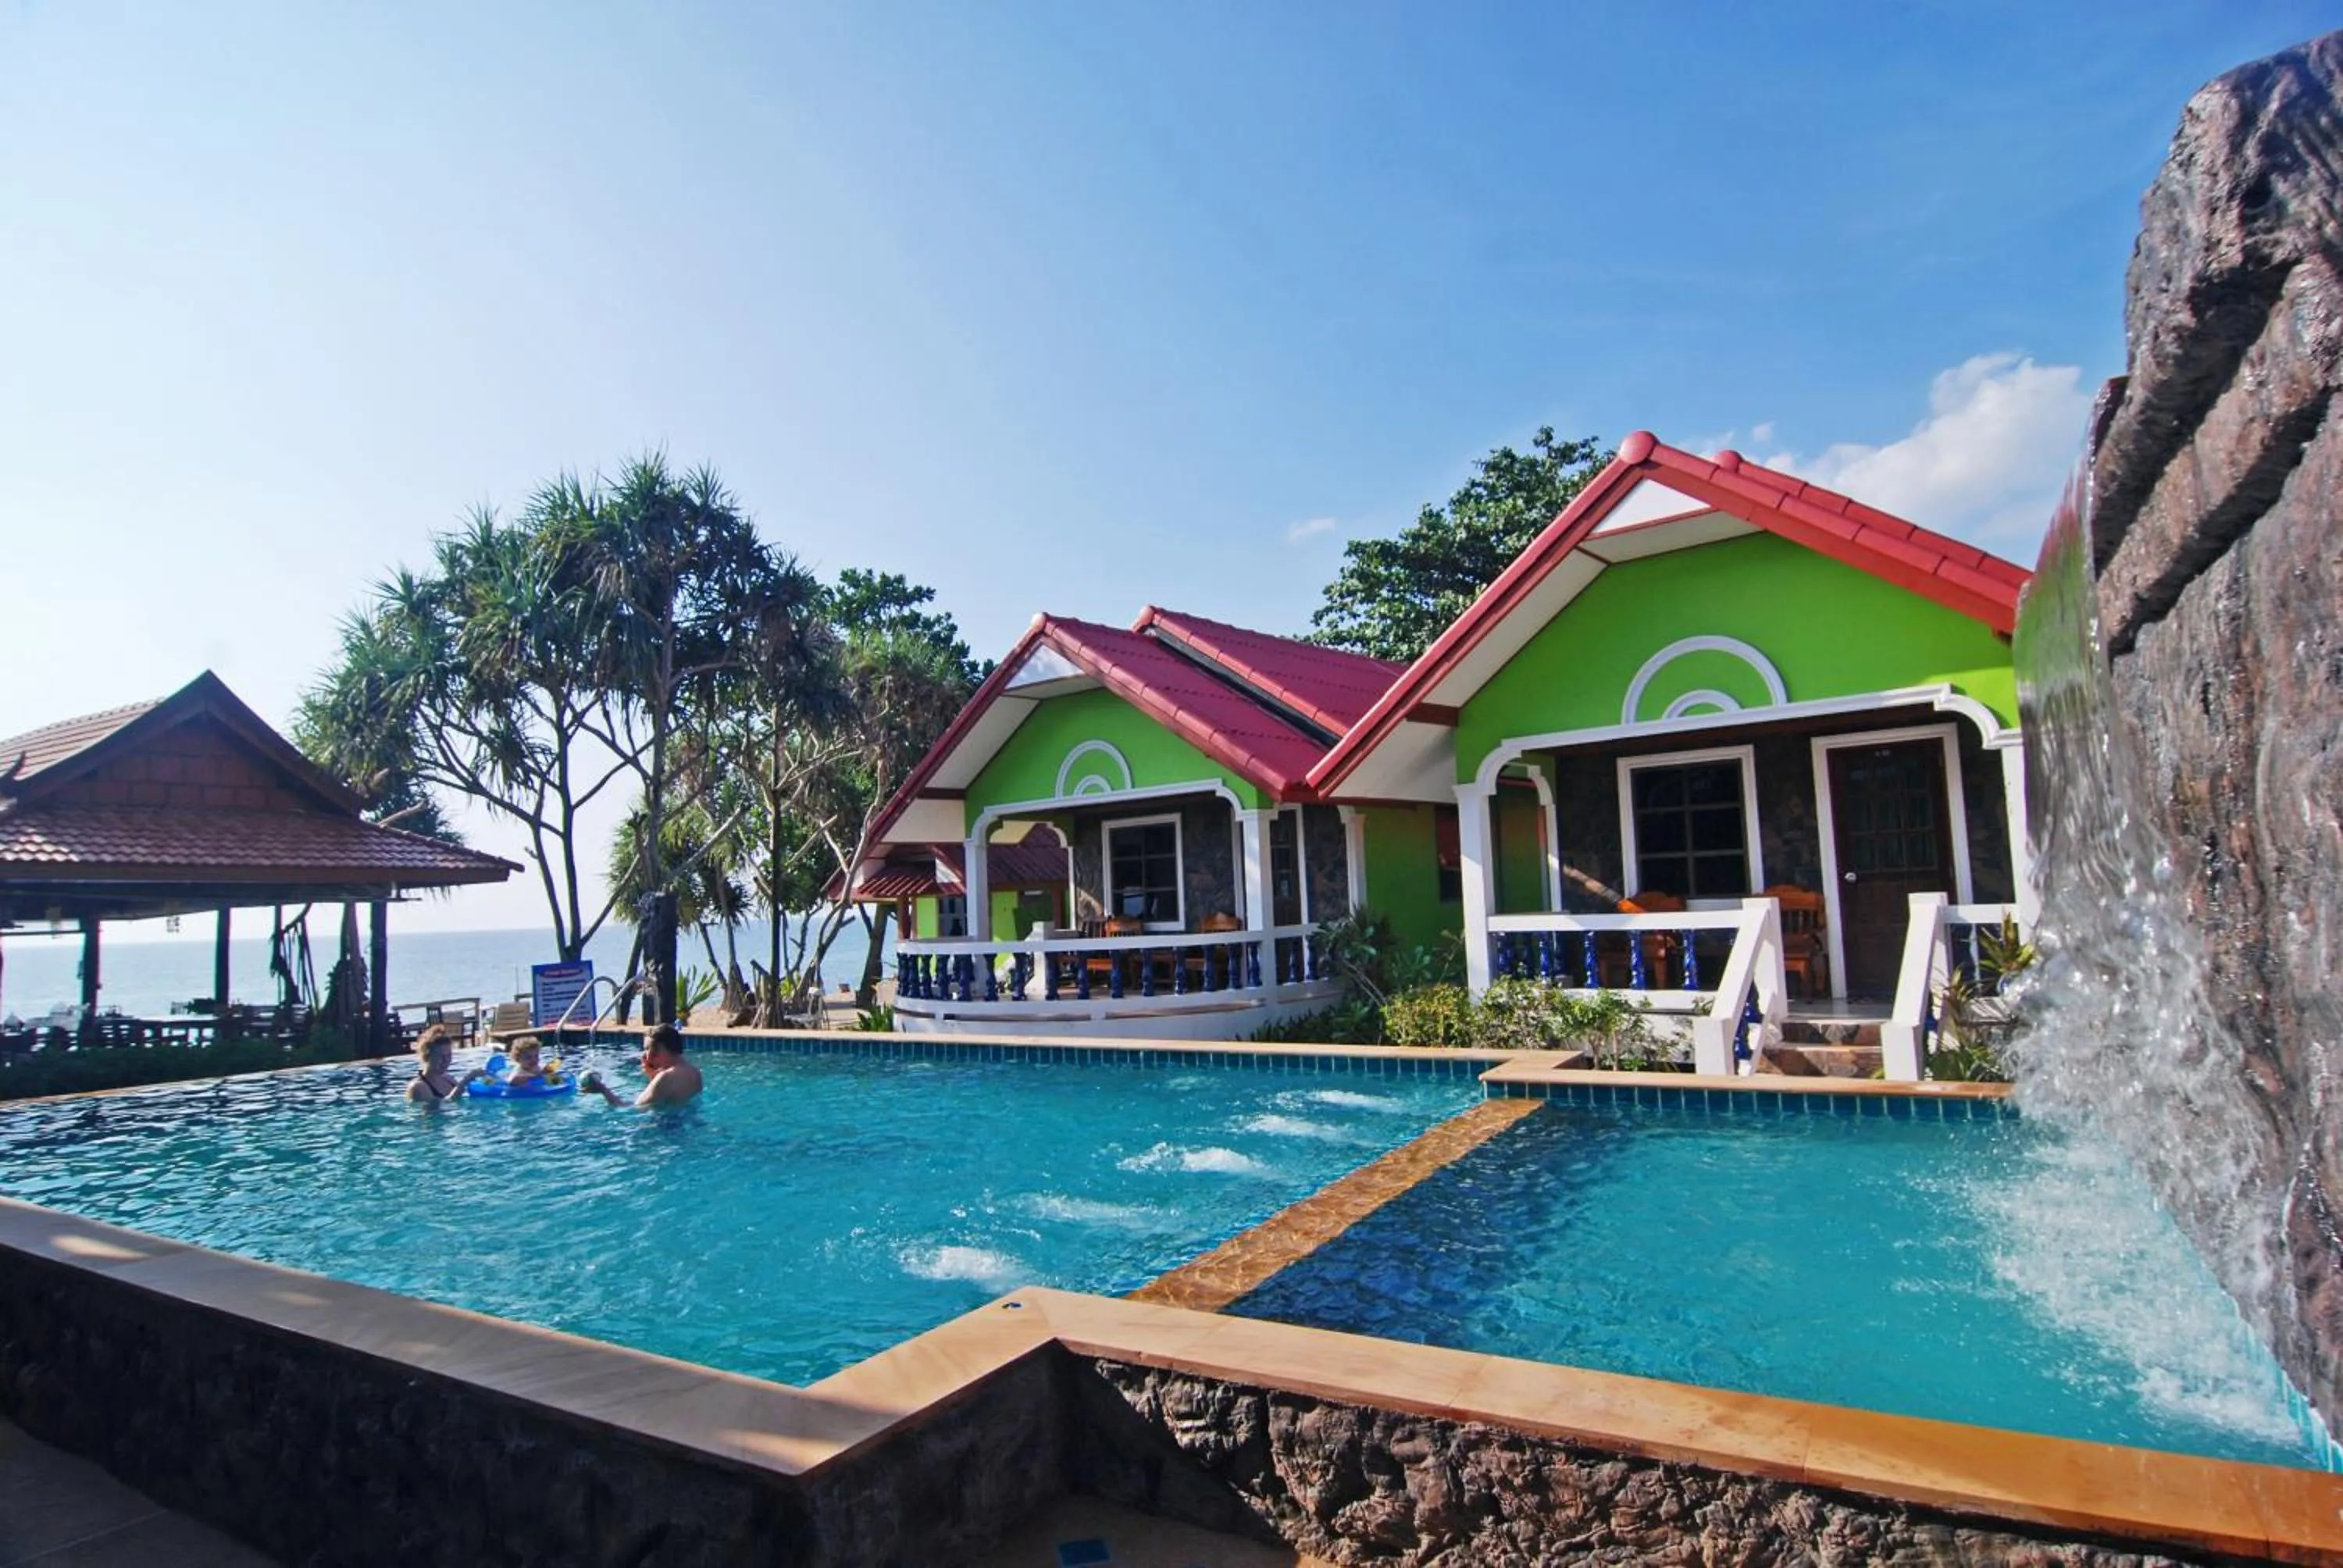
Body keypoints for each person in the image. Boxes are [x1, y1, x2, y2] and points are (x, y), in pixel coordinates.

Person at [580, 1023, 702, 1109]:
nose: (645, 1055)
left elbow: (628, 1108)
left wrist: (602, 1089)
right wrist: (653, 1077)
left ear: (657, 1050)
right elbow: (670, 1100)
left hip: (665, 1133)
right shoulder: (695, 1073)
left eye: (647, 1049)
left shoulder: (665, 1078)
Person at [404, 1024, 484, 1103]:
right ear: (427, 1056)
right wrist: (466, 1080)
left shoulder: (448, 1078)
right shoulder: (419, 1087)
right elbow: (438, 1111)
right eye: (441, 1057)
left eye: (449, 1056)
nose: (446, 1061)